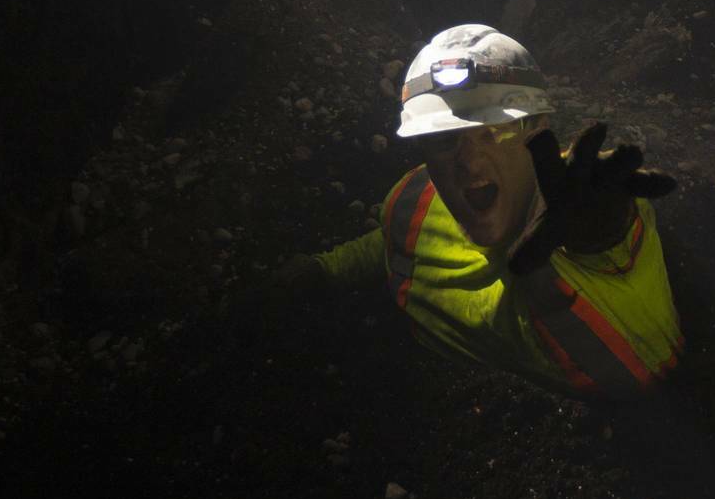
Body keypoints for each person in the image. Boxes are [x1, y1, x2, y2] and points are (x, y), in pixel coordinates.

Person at [275, 24, 682, 398]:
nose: (469, 162)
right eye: (444, 140)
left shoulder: (587, 208)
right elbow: (392, 237)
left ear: (538, 127)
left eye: (496, 130)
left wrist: (601, 231)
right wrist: (323, 270)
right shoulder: (415, 195)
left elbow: (621, 271)